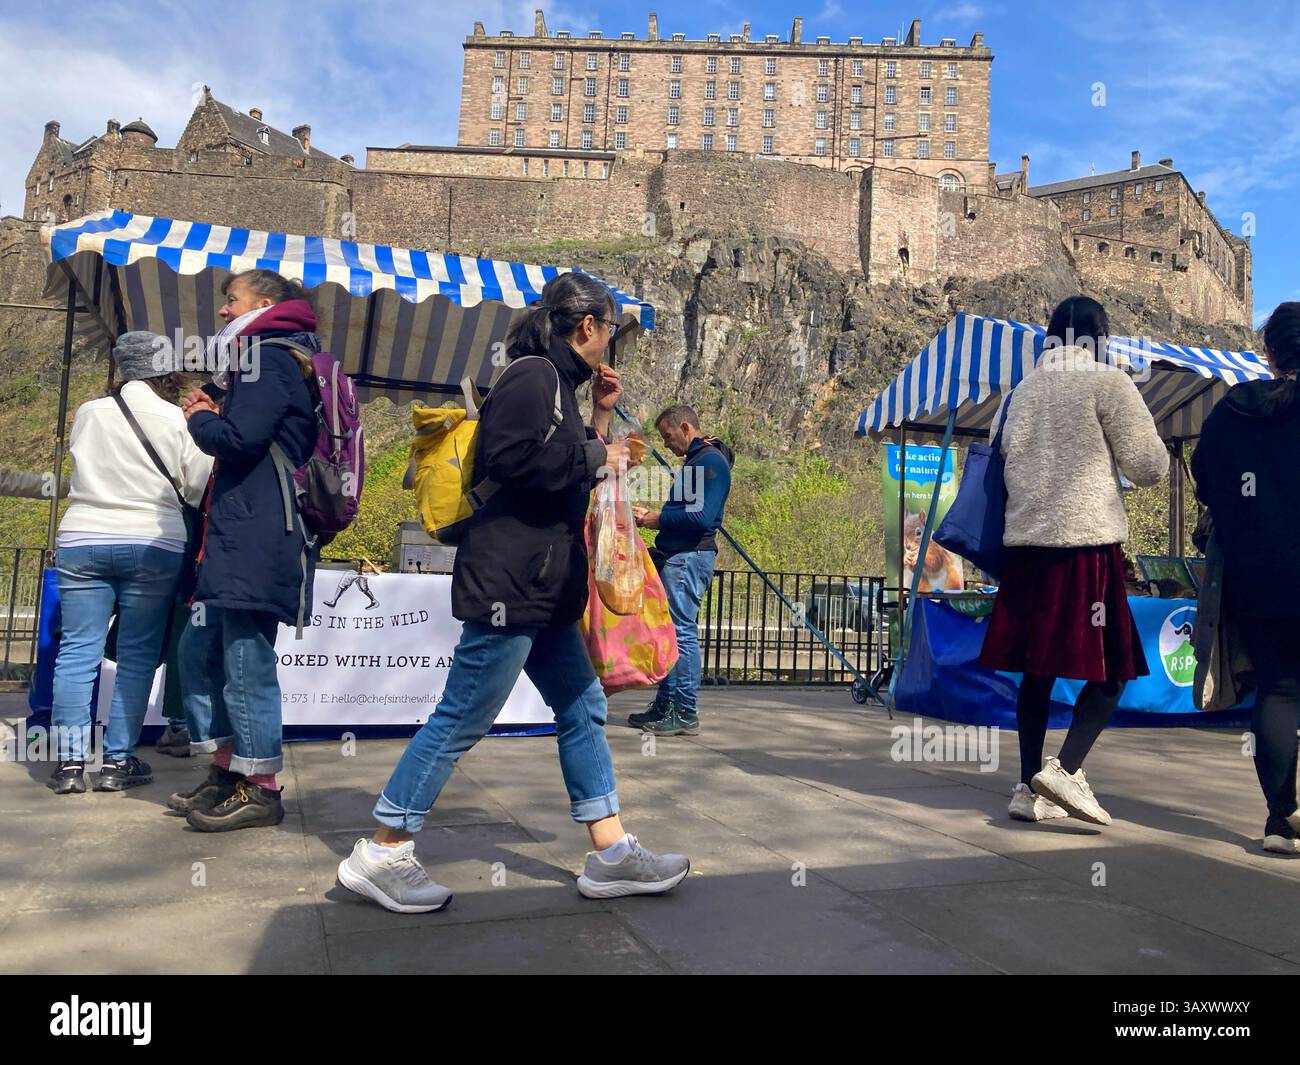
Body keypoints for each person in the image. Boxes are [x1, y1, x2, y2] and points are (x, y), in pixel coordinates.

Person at [336, 271, 690, 913]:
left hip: (544, 588)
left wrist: (601, 422)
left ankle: (610, 852)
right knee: (461, 717)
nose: (611, 342)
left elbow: (555, 459)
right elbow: (512, 459)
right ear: (587, 327)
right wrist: (599, 459)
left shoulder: (556, 385)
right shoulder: (531, 376)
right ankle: (382, 850)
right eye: (610, 330)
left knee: (583, 707)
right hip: (512, 581)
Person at [979, 296, 1167, 825]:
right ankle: (1065, 770)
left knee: (1035, 674)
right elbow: (1149, 466)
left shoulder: (1016, 396)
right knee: (1114, 668)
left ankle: (1025, 787)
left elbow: (1000, 459)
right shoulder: (1108, 383)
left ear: (1049, 338)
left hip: (1025, 550)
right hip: (1086, 544)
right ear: (1099, 338)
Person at [167, 269, 318, 831]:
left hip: (261, 530)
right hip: (241, 528)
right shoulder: (261, 359)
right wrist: (220, 408)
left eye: (232, 301)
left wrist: (203, 419)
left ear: (265, 303)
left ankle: (261, 786)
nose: (224, 311)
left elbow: (241, 441)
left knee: (246, 659)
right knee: (201, 651)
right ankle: (229, 769)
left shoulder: (270, 355)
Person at [48, 331, 212, 794]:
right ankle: (118, 762)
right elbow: (198, 488)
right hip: (152, 541)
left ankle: (68, 765)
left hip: (83, 534)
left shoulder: (89, 412)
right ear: (167, 371)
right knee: (138, 655)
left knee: (78, 651)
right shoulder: (179, 418)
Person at [1191, 302, 1300, 854]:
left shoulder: (1235, 410)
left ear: (1270, 354)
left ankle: (1281, 820)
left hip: (1259, 576)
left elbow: (1206, 480)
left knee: (1278, 690)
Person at [630, 405, 733, 736]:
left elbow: (700, 518)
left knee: (681, 632)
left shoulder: (709, 462)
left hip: (690, 556)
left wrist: (656, 518)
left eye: (668, 436)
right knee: (670, 632)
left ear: (686, 427)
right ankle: (667, 702)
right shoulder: (698, 462)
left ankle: (685, 710)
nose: (667, 444)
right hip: (680, 554)